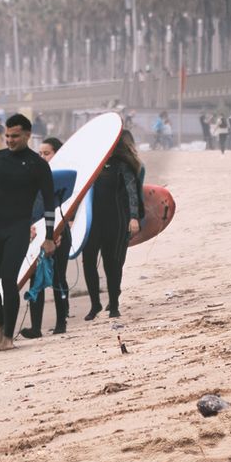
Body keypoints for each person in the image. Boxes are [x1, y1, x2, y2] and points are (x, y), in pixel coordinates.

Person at [0, 114, 57, 352]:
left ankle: (9, 337)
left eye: (15, 136)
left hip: (18, 228)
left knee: (8, 280)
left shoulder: (38, 165)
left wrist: (50, 237)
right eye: (7, 136)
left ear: (27, 135)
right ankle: (2, 326)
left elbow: (50, 203)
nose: (10, 141)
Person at [82, 129, 144, 321]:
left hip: (115, 220)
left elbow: (132, 191)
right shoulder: (90, 165)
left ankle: (114, 305)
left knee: (112, 263)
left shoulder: (122, 165)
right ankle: (95, 305)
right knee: (89, 262)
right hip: (92, 222)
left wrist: (134, 218)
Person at [20, 137, 71, 339]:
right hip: (38, 234)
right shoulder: (34, 177)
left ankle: (61, 322)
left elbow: (72, 205)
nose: (42, 157)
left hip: (59, 231)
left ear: (58, 153)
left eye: (46, 153)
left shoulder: (66, 177)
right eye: (39, 153)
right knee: (35, 280)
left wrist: (56, 232)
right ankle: (36, 328)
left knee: (58, 276)